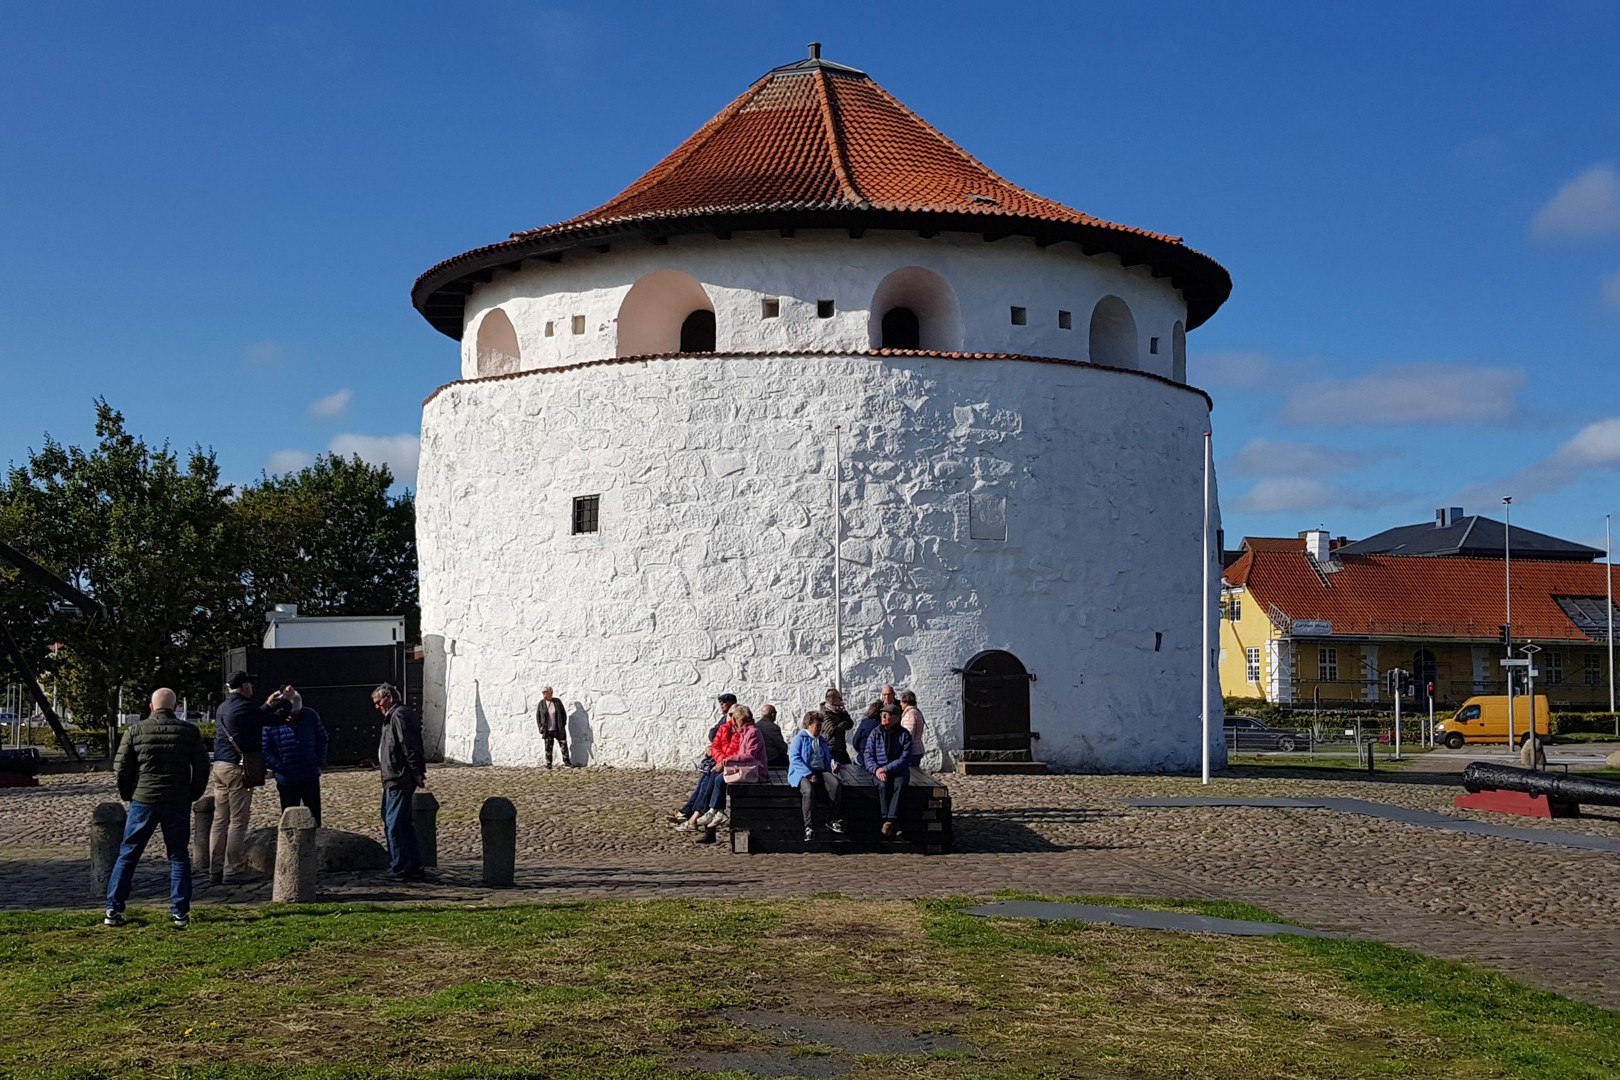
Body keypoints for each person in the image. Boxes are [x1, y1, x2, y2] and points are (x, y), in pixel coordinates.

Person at [105, 688, 212, 928]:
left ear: (151, 707)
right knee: (178, 856)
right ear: (175, 707)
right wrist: (193, 793)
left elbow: (121, 767)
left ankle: (113, 908)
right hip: (177, 800)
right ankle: (180, 912)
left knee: (128, 853)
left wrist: (128, 794)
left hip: (143, 799)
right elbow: (203, 766)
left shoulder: (135, 730)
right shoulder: (189, 731)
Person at [206, 670, 291, 885]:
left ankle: (215, 868)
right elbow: (272, 720)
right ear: (244, 687)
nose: (252, 688)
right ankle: (232, 869)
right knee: (237, 821)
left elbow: (255, 718)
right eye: (250, 685)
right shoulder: (245, 707)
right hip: (237, 769)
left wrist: (268, 704)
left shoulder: (224, 707)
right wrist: (287, 703)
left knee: (219, 819)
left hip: (219, 766)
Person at [371, 683, 428, 882]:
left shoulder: (398, 715)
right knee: (398, 821)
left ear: (389, 698)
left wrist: (416, 772)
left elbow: (407, 745)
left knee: (395, 823)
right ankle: (411, 865)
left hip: (399, 776)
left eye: (378, 702)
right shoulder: (395, 716)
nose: (377, 707)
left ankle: (401, 866)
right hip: (394, 776)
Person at [262, 690, 328, 826]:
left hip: (310, 775)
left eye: (294, 714)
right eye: (288, 714)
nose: (291, 717)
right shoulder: (271, 721)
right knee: (289, 819)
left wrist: (319, 760)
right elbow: (265, 749)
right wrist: (281, 767)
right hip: (287, 778)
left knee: (314, 817)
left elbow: (322, 738)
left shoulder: (310, 716)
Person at [677, 696, 741, 831]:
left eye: (732, 714)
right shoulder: (726, 727)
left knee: (712, 780)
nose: (730, 717)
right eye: (729, 714)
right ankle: (693, 814)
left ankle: (698, 816)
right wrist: (715, 755)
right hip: (722, 763)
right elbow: (715, 740)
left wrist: (721, 761)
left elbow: (733, 751)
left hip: (734, 766)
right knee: (704, 780)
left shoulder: (739, 732)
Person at [787, 711, 845, 842]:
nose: (820, 728)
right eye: (817, 725)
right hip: (802, 772)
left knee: (835, 784)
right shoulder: (799, 739)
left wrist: (834, 766)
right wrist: (808, 774)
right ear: (808, 725)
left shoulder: (822, 740)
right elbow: (795, 759)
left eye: (821, 725)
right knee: (808, 791)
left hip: (820, 770)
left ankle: (832, 818)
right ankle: (809, 826)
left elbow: (827, 758)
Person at [860, 703, 913, 837]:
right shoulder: (875, 733)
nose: (883, 716)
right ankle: (888, 819)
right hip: (879, 770)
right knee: (882, 785)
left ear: (895, 718)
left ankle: (890, 820)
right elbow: (868, 755)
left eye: (887, 714)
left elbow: (905, 758)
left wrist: (886, 768)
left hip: (898, 771)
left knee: (899, 785)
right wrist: (877, 769)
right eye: (882, 714)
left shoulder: (904, 735)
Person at [535, 686, 574, 769]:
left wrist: (562, 724)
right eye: (543, 692)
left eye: (545, 692)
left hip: (558, 728)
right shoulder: (541, 703)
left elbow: (563, 714)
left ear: (551, 693)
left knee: (563, 745)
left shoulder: (557, 702)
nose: (544, 694)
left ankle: (566, 761)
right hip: (547, 729)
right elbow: (538, 716)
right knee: (548, 747)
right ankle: (549, 763)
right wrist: (540, 726)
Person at [820, 688, 854, 765]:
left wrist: (845, 713)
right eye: (839, 698)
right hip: (831, 749)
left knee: (848, 769)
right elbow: (832, 730)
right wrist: (844, 722)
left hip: (842, 748)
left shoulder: (839, 711)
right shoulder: (824, 713)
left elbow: (850, 725)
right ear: (833, 700)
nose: (841, 700)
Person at [755, 703, 790, 768]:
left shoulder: (756, 726)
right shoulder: (773, 727)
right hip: (772, 759)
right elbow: (781, 747)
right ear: (773, 714)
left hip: (759, 759)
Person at [850, 699, 883, 768]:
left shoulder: (865, 723)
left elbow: (855, 741)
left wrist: (861, 751)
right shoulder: (884, 725)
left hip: (863, 758)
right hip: (878, 761)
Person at [899, 690, 926, 768]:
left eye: (901, 702)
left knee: (912, 775)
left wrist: (903, 751)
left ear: (906, 702)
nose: (900, 704)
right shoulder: (917, 712)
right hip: (917, 748)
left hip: (912, 751)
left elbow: (908, 735)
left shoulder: (910, 715)